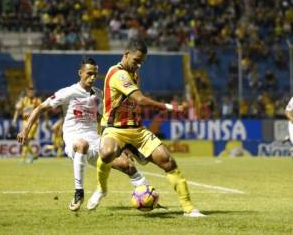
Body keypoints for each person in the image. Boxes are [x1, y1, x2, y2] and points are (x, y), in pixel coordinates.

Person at [17, 58, 148, 211]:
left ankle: (147, 195)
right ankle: (79, 192)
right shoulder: (68, 92)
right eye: (89, 74)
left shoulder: (98, 95)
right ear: (80, 73)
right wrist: (25, 129)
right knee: (82, 144)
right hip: (74, 139)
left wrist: (121, 145)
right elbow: (40, 108)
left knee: (128, 165)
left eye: (95, 74)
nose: (92, 77)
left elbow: (103, 119)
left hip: (96, 141)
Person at [96, 38, 205, 218]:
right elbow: (140, 99)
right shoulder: (118, 74)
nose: (138, 65)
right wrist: (169, 107)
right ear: (126, 54)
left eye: (141, 62)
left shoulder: (134, 74)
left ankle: (189, 209)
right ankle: (101, 186)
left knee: (168, 161)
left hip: (137, 130)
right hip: (114, 129)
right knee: (107, 153)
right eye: (136, 60)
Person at [13, 86, 42, 163]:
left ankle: (23, 159)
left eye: (32, 92)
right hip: (24, 121)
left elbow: (41, 110)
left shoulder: (37, 101)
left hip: (33, 122)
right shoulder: (24, 100)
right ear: (27, 92)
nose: (31, 93)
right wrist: (14, 119)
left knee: (26, 139)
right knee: (24, 140)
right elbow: (18, 109)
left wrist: (45, 120)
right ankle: (33, 155)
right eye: (29, 92)